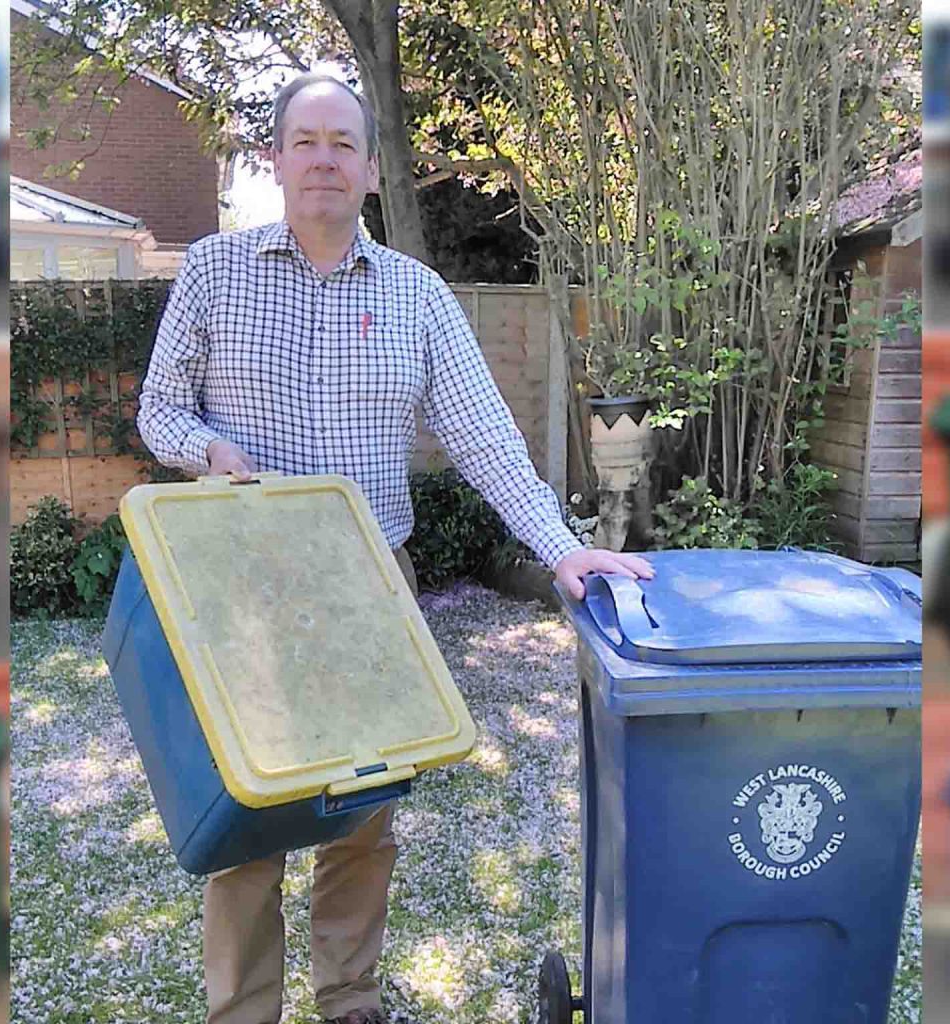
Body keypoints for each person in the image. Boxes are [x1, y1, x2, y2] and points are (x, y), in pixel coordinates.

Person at [137, 71, 652, 1024]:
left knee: (359, 814)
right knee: (247, 818)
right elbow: (158, 409)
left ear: (371, 169)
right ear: (275, 159)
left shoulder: (416, 296)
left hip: (372, 589)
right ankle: (241, 1010)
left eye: (343, 143)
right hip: (237, 587)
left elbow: (486, 436)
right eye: (305, 141)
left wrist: (560, 546)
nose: (323, 158)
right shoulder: (212, 270)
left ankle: (350, 1000)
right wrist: (204, 447)